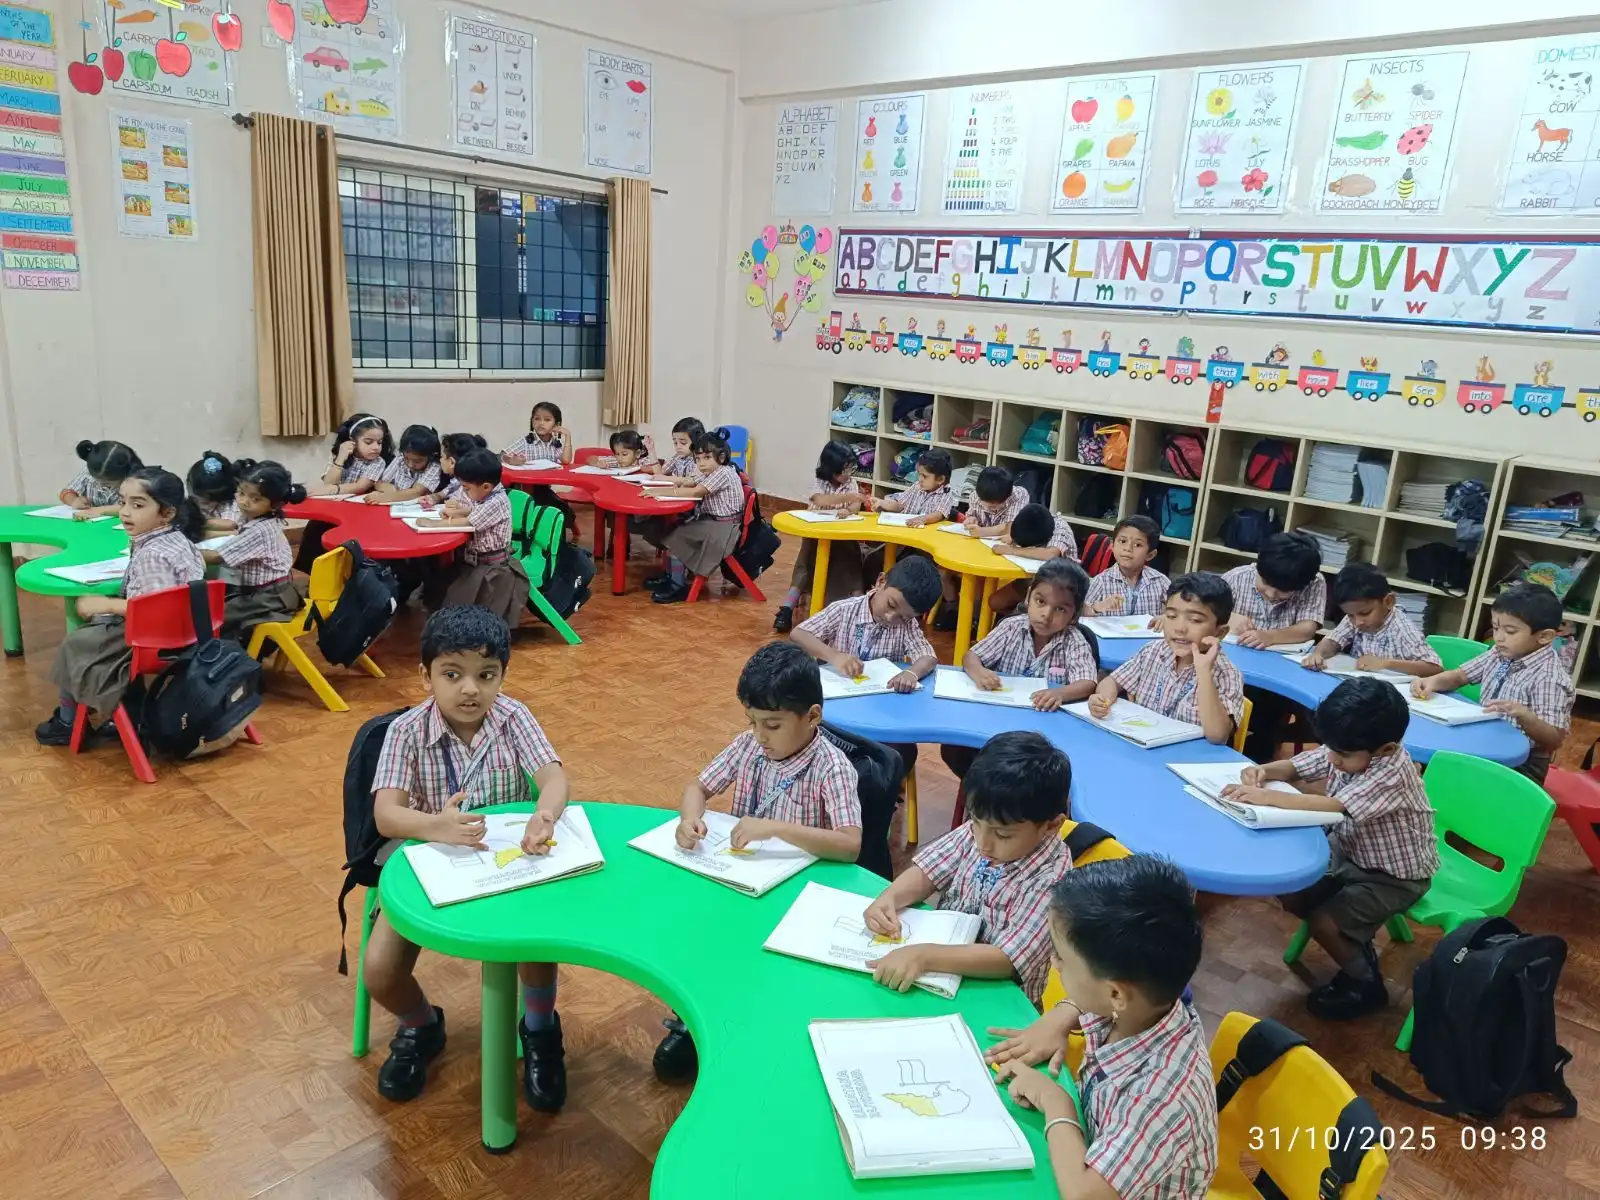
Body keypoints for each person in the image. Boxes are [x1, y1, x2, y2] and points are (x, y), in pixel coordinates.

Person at [361, 607, 572, 1108]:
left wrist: (545, 813)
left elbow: (554, 778)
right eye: (451, 675)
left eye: (486, 675)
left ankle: (540, 1031)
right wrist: (434, 825)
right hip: (430, 865)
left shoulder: (514, 717)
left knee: (537, 949)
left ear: (503, 674)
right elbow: (387, 816)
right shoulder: (406, 732)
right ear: (426, 675)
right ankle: (421, 1025)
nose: (470, 690)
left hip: (508, 864)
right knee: (380, 972)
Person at [655, 642, 863, 1082]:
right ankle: (693, 1023)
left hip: (797, 898)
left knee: (768, 975)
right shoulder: (749, 746)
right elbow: (698, 786)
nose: (760, 735)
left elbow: (850, 845)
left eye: (771, 724)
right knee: (701, 938)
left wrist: (775, 827)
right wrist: (690, 818)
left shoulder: (832, 768)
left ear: (812, 717)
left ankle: (757, 1033)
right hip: (740, 880)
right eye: (751, 722)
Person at [988, 857, 1216, 1200]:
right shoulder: (1147, 1001)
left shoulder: (1157, 1099)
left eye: (1061, 957)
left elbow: (1083, 1196)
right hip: (1100, 1148)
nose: (1053, 962)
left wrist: (1057, 1103)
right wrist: (1064, 1012)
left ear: (1115, 993)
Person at [1224, 678, 1437, 1018]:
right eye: (1331, 748)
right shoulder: (1349, 745)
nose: (1333, 759)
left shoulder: (1392, 773)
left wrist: (1267, 797)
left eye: (1343, 755)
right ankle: (1352, 937)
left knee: (1325, 922)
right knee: (1293, 889)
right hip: (1350, 854)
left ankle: (1365, 984)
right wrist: (1263, 770)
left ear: (1386, 749)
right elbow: (1298, 767)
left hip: (1394, 877)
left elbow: (1332, 806)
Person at [864, 732, 1073, 1003]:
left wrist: (925, 956)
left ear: (1051, 825)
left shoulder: (1054, 878)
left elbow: (1006, 959)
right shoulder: (983, 829)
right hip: (939, 972)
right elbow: (929, 870)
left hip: (997, 998)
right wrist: (889, 898)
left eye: (1003, 835)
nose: (983, 843)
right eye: (975, 822)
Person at [37, 468, 205, 745]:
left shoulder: (153, 554)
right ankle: (126, 710)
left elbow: (155, 609)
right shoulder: (176, 539)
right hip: (186, 631)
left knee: (75, 644)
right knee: (91, 632)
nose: (125, 512)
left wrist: (107, 604)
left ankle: (68, 722)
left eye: (137, 505)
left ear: (167, 513)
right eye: (123, 501)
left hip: (155, 641)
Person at [944, 560, 1099, 786]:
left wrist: (1060, 693)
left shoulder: (1074, 641)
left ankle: (1007, 802)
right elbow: (972, 656)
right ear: (1028, 598)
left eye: (1060, 609)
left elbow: (1087, 682)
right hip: (998, 724)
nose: (1046, 614)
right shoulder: (1011, 627)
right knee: (953, 749)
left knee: (1033, 773)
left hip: (1043, 737)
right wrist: (978, 672)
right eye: (1040, 601)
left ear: (1074, 616)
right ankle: (988, 797)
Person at [1412, 582, 1573, 784]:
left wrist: (1525, 715)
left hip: (1520, 765)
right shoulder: (1500, 653)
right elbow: (1461, 675)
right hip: (1484, 741)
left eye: (1510, 631)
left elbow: (1554, 739)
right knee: (1425, 764)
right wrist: (1431, 682)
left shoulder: (1549, 678)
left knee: (1439, 775)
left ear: (1544, 637)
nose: (1499, 637)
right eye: (1496, 628)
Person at [1089, 572, 1242, 745]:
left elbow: (1218, 735)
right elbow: (1111, 682)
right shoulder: (1153, 652)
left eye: (1195, 620)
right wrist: (1103, 700)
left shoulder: (1226, 674)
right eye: (1171, 616)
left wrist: (1204, 673)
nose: (1179, 628)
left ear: (1220, 632)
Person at [1223, 531, 1325, 759]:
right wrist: (1228, 616)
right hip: (1234, 663)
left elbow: (1308, 627)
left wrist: (1270, 636)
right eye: (1265, 585)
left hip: (1283, 668)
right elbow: (1207, 612)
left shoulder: (1314, 582)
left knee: (1271, 707)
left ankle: (1257, 755)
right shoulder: (1236, 577)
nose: (1271, 595)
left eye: (1282, 592)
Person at [413, 448, 529, 627]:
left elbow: (470, 522)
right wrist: (458, 510)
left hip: (491, 567)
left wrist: (433, 524)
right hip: (474, 561)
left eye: (466, 489)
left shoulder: (496, 501)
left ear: (486, 486)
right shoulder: (485, 494)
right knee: (439, 586)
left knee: (460, 605)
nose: (464, 493)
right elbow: (474, 510)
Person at [202, 460, 306, 639]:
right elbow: (232, 529)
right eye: (241, 493)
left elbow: (216, 556)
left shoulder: (259, 529)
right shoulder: (257, 517)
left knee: (210, 618)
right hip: (271, 590)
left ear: (275, 504)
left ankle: (219, 658)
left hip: (270, 597)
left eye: (255, 499)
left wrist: (183, 550)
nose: (244, 502)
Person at [774, 440, 867, 633]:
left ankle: (859, 615)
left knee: (853, 572)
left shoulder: (851, 483)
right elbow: (821, 499)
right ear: (831, 470)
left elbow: (855, 507)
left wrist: (848, 510)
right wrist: (847, 499)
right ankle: (786, 609)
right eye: (845, 470)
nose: (849, 474)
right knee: (803, 570)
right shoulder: (818, 482)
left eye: (851, 469)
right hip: (816, 537)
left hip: (842, 538)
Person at [647, 430, 745, 605]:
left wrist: (658, 491)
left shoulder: (723, 472)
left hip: (723, 530)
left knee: (676, 538)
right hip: (713, 523)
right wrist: (667, 482)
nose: (702, 463)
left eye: (707, 458)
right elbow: (690, 481)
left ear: (721, 457)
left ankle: (677, 586)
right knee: (673, 531)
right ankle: (670, 578)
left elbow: (695, 491)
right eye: (698, 459)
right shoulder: (712, 470)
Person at [1301, 562, 1442, 679]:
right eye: (1350, 615)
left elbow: (1435, 668)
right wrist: (1318, 654)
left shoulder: (1402, 628)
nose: (1357, 622)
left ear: (1388, 601)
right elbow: (1333, 640)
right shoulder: (1355, 615)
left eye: (1365, 613)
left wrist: (1385, 664)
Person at [863, 448, 954, 584]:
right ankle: (873, 589)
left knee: (906, 570)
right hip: (903, 541)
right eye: (919, 475)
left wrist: (923, 519)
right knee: (873, 559)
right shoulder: (916, 487)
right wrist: (883, 503)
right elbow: (899, 504)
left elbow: (938, 514)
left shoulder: (946, 494)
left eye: (925, 476)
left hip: (923, 549)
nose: (920, 479)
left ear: (940, 479)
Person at [987, 502, 1080, 614]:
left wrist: (1011, 550)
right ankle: (1015, 621)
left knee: (1026, 609)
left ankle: (1022, 619)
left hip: (1060, 585)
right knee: (995, 602)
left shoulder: (1060, 529)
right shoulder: (1030, 519)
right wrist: (1012, 538)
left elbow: (1050, 554)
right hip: (1033, 577)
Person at [1084, 516, 1168, 618]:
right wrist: (1099, 607)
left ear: (1150, 555)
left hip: (1148, 633)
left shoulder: (1161, 582)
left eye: (1137, 545)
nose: (1127, 549)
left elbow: (1179, 610)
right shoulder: (1101, 581)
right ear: (1113, 546)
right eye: (1123, 541)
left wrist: (1167, 617)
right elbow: (1082, 612)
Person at [310, 413, 392, 497]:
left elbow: (360, 487)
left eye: (379, 442)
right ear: (352, 440)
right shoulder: (338, 454)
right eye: (368, 442)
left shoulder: (378, 462)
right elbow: (328, 484)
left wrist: (331, 489)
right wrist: (340, 459)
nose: (376, 447)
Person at [61, 439, 143, 520]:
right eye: (96, 480)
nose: (100, 485)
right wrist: (74, 501)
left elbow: (137, 507)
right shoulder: (87, 473)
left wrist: (100, 510)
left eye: (107, 483)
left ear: (123, 475)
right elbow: (66, 492)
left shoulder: (136, 481)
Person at [366, 424, 444, 504]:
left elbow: (416, 492)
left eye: (417, 461)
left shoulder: (434, 466)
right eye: (406, 458)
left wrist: (384, 497)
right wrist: (388, 488)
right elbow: (379, 483)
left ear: (430, 456)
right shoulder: (400, 459)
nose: (410, 465)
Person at [419, 432, 488, 513]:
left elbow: (475, 509)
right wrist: (433, 498)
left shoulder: (473, 484)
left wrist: (458, 506)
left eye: (442, 457)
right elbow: (442, 494)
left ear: (452, 462)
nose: (440, 460)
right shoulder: (456, 480)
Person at [500, 400, 574, 466]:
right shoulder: (525, 442)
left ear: (556, 424)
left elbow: (566, 461)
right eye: (537, 419)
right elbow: (500, 456)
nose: (541, 423)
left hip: (549, 480)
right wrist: (510, 460)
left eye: (547, 420)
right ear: (532, 421)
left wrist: (568, 436)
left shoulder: (555, 444)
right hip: (529, 480)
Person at [187, 450, 241, 533]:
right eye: (195, 498)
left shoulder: (232, 505)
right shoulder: (192, 501)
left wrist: (195, 523)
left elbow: (230, 525)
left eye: (205, 503)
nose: (200, 505)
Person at [650, 417, 707, 481]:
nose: (678, 447)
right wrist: (651, 449)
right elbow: (659, 473)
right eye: (675, 443)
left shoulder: (700, 459)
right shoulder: (677, 457)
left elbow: (692, 481)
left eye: (683, 443)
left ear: (696, 441)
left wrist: (667, 478)